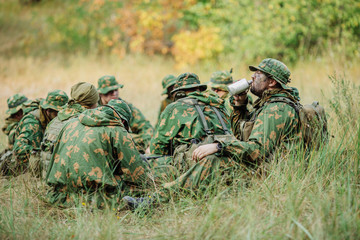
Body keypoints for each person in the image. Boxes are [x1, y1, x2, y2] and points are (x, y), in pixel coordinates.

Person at [123, 58, 302, 209]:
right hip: (256, 166)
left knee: (210, 160)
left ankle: (155, 200)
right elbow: (240, 137)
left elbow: (257, 151)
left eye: (258, 75)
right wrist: (240, 106)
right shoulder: (267, 105)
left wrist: (218, 146)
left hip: (266, 173)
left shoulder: (276, 109)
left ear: (271, 82)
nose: (252, 77)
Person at [45, 99, 154, 208]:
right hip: (94, 199)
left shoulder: (70, 123)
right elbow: (138, 178)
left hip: (58, 196)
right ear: (124, 122)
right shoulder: (117, 130)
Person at [149, 72, 232, 156]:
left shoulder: (175, 108)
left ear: (178, 93)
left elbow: (156, 148)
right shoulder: (217, 104)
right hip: (225, 154)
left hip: (196, 159)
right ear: (199, 89)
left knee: (150, 160)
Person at [39, 82, 99, 178]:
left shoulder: (57, 119)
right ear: (93, 102)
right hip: (63, 180)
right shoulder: (83, 121)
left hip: (47, 175)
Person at [11, 90, 68, 174]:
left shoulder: (51, 119)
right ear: (48, 110)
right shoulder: (32, 124)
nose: (61, 115)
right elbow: (19, 149)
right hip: (26, 170)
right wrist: (42, 155)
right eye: (58, 112)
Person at [97, 75, 154, 153]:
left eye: (116, 90)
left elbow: (146, 127)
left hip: (123, 145)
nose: (114, 93)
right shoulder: (94, 108)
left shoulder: (125, 107)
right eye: (109, 91)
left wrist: (146, 144)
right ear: (100, 93)